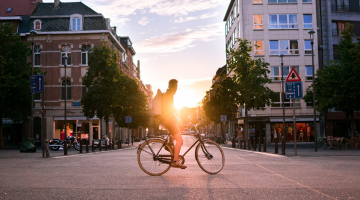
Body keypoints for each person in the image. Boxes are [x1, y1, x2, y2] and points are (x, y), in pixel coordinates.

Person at [160, 79, 186, 169]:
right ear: (173, 87)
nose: (176, 89)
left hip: (166, 120)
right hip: (168, 121)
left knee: (176, 137)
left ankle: (170, 147)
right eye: (176, 87)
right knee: (180, 140)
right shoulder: (169, 95)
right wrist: (178, 121)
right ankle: (175, 161)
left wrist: (178, 120)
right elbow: (169, 111)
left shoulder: (167, 94)